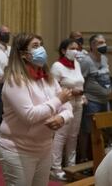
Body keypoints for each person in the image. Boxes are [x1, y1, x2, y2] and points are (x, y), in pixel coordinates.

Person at [0, 32, 73, 186]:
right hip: (18, 149)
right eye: (35, 46)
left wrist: (62, 118)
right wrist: (58, 100)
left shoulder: (47, 77)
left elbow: (67, 107)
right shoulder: (15, 80)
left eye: (41, 45)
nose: (41, 49)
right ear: (24, 54)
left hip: (44, 146)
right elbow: (29, 115)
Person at [50, 38, 85, 180]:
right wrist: (71, 92)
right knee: (60, 136)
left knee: (73, 136)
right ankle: (55, 168)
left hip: (78, 104)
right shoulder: (57, 66)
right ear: (64, 50)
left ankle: (71, 166)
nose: (75, 51)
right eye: (72, 48)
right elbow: (53, 89)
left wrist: (83, 95)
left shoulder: (76, 64)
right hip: (64, 105)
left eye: (77, 48)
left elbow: (80, 82)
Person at [78, 34, 111, 162]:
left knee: (103, 129)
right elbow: (81, 80)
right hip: (92, 101)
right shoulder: (86, 61)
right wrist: (83, 95)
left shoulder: (104, 58)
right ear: (92, 45)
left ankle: (98, 157)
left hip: (104, 100)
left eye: (104, 42)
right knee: (87, 131)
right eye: (99, 42)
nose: (103, 45)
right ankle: (83, 158)